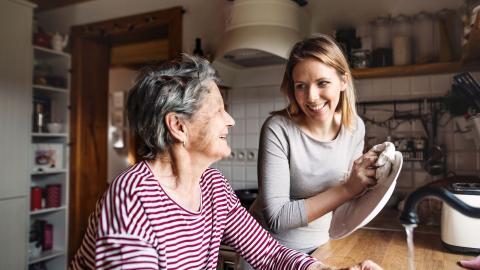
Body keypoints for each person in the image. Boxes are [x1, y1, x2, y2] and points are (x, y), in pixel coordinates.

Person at [69, 54, 381, 270]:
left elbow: (267, 252)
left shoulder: (213, 186)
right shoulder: (132, 199)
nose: (230, 120)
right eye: (219, 110)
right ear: (178, 126)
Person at [250, 34, 379, 254]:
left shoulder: (354, 127)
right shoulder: (278, 129)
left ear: (343, 81)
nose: (311, 97)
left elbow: (347, 198)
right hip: (268, 254)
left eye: (322, 83)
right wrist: (349, 189)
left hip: (321, 247)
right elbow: (277, 217)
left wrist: (368, 180)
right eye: (301, 86)